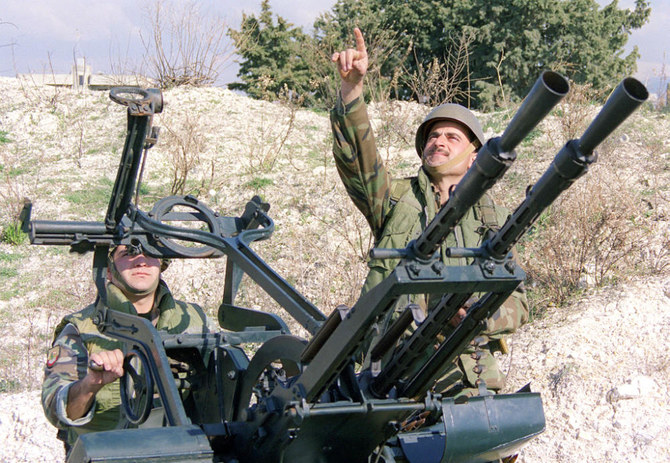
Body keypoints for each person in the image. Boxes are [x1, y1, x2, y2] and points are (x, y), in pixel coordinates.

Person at [330, 28, 528, 397]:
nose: (438, 141)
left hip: (465, 377)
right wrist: (352, 92)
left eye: (452, 137)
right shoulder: (397, 198)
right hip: (391, 370)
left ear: (475, 155)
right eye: (434, 136)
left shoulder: (491, 220)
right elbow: (358, 161)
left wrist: (479, 317)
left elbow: (518, 301)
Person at [41, 245, 211, 452]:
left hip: (182, 450)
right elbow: (56, 411)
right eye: (128, 253)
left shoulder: (193, 320)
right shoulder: (82, 328)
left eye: (150, 252)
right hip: (108, 452)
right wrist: (91, 384)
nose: (141, 261)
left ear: (162, 263)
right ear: (109, 270)